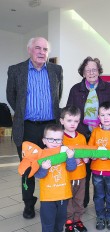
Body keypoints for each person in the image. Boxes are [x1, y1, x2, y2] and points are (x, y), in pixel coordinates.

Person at [6, 37, 63, 219]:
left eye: (45, 49)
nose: (41, 52)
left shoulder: (56, 70)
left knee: (53, 165)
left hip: (50, 128)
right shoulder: (16, 70)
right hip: (27, 127)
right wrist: (25, 112)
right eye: (37, 48)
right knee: (28, 168)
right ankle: (28, 203)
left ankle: (53, 199)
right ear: (29, 50)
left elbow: (57, 96)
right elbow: (11, 97)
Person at [67, 56, 110, 208]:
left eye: (94, 69)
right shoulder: (75, 89)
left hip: (102, 135)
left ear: (99, 71)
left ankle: (100, 203)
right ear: (83, 73)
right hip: (82, 135)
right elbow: (70, 111)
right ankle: (82, 202)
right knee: (83, 169)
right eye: (87, 70)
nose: (91, 72)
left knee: (98, 170)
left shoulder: (108, 88)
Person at [88, 101, 110, 230]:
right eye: (102, 115)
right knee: (98, 195)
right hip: (96, 170)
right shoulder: (96, 131)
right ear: (98, 117)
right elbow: (90, 149)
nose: (106, 118)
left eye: (109, 114)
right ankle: (100, 216)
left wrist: (108, 156)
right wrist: (93, 155)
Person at [34, 124, 77, 232]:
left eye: (58, 140)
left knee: (60, 222)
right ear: (44, 141)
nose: (54, 142)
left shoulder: (64, 153)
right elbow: (37, 174)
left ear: (62, 140)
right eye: (51, 139)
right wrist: (43, 168)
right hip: (47, 197)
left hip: (63, 195)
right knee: (48, 223)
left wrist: (71, 157)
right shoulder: (41, 155)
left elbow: (71, 168)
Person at [60, 106, 89, 232]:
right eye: (69, 120)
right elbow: (59, 159)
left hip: (81, 175)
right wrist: (71, 159)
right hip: (67, 177)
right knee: (68, 200)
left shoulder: (82, 137)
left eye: (76, 121)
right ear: (62, 121)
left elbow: (86, 154)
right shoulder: (60, 138)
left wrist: (86, 158)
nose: (73, 124)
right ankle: (69, 221)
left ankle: (77, 219)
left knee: (79, 199)